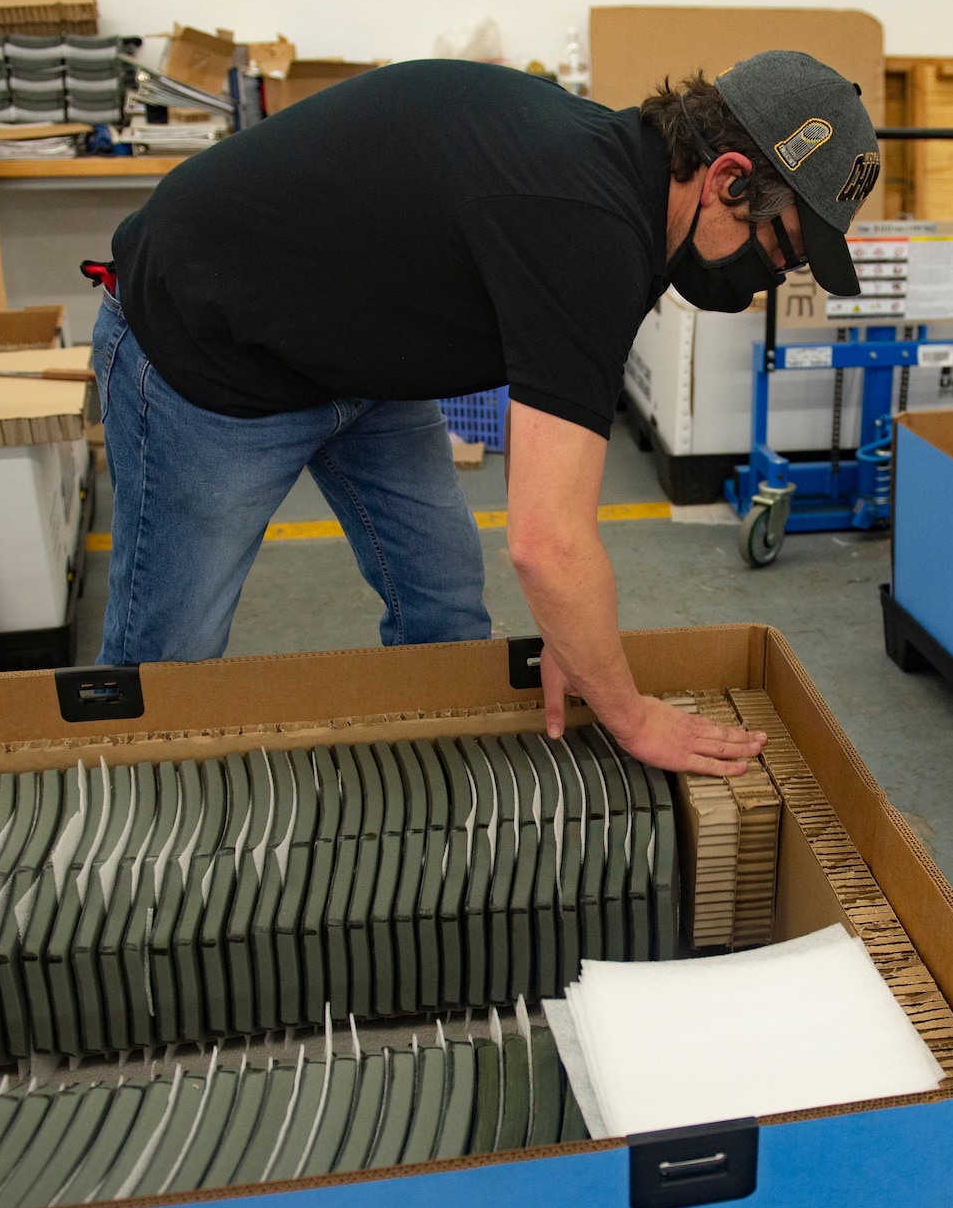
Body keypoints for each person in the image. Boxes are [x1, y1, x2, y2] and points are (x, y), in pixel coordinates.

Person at [89, 49, 879, 777]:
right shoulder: (586, 224)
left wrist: (580, 638)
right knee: (165, 671)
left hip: (357, 352)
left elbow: (560, 490)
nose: (776, 273)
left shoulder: (627, 199)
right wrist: (631, 716)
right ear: (729, 178)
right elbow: (546, 543)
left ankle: (442, 838)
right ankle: (121, 872)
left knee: (441, 602)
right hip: (208, 340)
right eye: (783, 249)